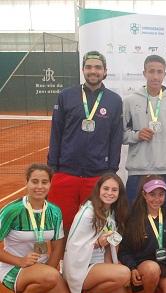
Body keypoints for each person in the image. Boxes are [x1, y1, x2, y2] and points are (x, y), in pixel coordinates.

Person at [47, 51, 124, 233]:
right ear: (82, 70)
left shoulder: (114, 100)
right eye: (88, 67)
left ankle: (91, 262)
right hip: (66, 172)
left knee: (93, 227)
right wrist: (53, 167)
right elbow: (56, 132)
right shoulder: (66, 95)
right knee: (62, 225)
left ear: (105, 71)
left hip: (97, 175)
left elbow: (115, 138)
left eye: (98, 67)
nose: (93, 71)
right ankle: (61, 261)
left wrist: (111, 170)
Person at [0, 164, 76, 293]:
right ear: (27, 183)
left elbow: (57, 245)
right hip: (14, 267)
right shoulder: (12, 210)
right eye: (34, 181)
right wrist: (19, 261)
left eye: (44, 182)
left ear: (50, 184)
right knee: (50, 276)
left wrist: (49, 270)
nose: (39, 187)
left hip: (43, 268)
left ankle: (38, 288)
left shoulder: (55, 212)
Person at [63, 173, 133, 293]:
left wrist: (113, 265)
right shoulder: (88, 212)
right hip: (82, 268)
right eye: (106, 188)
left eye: (114, 190)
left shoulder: (112, 212)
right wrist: (96, 243)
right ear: (98, 190)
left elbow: (112, 244)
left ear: (119, 194)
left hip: (100, 268)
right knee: (124, 273)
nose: (109, 193)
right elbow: (74, 246)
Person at [123, 55, 166, 214]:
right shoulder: (130, 100)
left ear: (165, 74)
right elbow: (121, 135)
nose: (155, 76)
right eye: (151, 71)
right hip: (139, 171)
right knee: (134, 218)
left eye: (159, 72)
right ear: (144, 73)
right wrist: (136, 135)